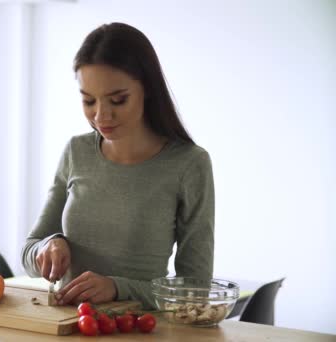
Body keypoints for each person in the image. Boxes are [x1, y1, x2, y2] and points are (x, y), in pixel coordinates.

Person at [20, 22, 214, 309]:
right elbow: (29, 251)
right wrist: (48, 246)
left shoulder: (189, 164)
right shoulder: (77, 151)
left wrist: (118, 288)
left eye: (118, 100)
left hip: (139, 331)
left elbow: (194, 290)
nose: (101, 116)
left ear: (147, 89)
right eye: (88, 101)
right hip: (67, 327)